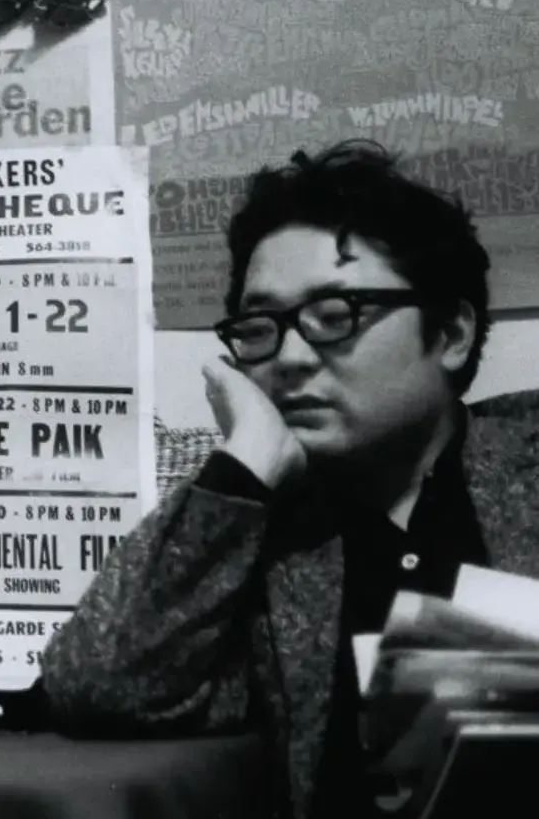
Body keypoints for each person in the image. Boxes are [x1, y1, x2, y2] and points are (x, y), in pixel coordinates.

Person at [39, 140, 539, 819]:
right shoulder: (261, 534)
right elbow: (99, 683)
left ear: (450, 332)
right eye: (261, 326)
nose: (292, 357)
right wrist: (247, 459)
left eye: (337, 317)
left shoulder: (520, 473)